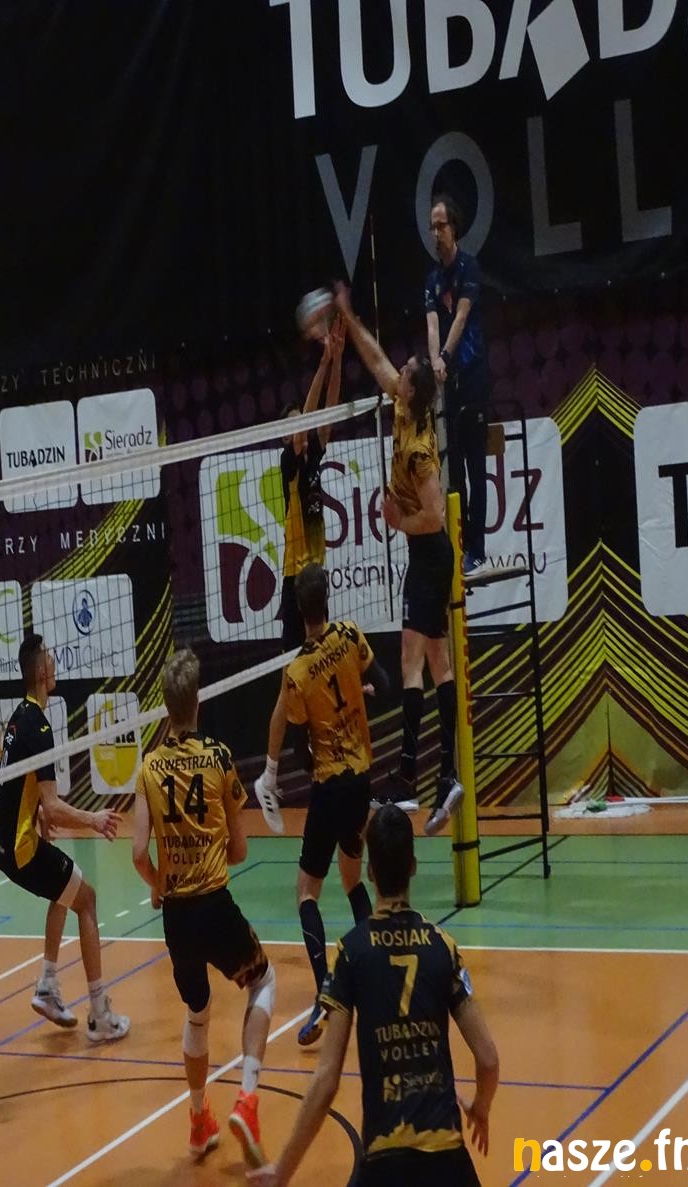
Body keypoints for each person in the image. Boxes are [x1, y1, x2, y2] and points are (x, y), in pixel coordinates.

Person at [247, 804, 499, 1187]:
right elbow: (488, 1058)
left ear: (369, 871)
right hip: (446, 1155)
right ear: (413, 866)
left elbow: (327, 1079)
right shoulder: (443, 948)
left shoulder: (351, 952)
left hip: (385, 1158)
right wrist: (480, 1106)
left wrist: (282, 1171)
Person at [133, 650, 276, 1168]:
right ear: (197, 700)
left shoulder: (149, 767)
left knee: (198, 1012)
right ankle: (247, 1100)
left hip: (176, 917)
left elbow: (137, 854)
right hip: (214, 905)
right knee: (263, 982)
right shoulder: (218, 757)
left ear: (165, 705)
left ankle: (199, 1120)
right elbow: (239, 850)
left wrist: (159, 884)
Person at [334, 283, 465, 837]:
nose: (401, 369)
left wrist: (395, 521)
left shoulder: (417, 450)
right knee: (438, 664)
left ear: (411, 392)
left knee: (412, 660)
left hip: (430, 554)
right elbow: (378, 361)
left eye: (407, 371)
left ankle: (412, 774)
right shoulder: (406, 408)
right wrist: (348, 316)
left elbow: (434, 517)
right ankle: (446, 776)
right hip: (427, 557)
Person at [255, 563, 389, 1046]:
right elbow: (385, 684)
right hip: (361, 778)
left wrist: (306, 764)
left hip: (329, 785)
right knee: (353, 881)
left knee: (306, 893)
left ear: (298, 610)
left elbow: (297, 746)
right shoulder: (350, 636)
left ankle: (325, 990)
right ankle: (376, 977)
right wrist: (361, 695)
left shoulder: (297, 673)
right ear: (327, 600)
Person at [0, 633, 129, 1041]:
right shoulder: (38, 725)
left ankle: (48, 986)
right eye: (50, 659)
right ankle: (99, 1014)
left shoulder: (18, 718)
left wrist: (35, 811)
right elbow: (53, 805)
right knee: (86, 898)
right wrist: (93, 819)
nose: (55, 664)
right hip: (20, 848)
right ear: (41, 671)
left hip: (5, 843)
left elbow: (18, 786)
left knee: (65, 890)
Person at [426, 193, 490, 575]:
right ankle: (460, 546)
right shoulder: (432, 280)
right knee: (454, 473)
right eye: (432, 227)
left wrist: (446, 359)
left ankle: (478, 550)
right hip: (447, 384)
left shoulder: (470, 268)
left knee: (476, 466)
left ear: (455, 227)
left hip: (473, 378)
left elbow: (461, 318)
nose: (436, 234)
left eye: (441, 226)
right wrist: (435, 363)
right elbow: (433, 325)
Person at [279, 315, 344, 649]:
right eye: (294, 426)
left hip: (315, 573)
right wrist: (322, 364)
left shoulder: (313, 455)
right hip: (295, 576)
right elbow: (307, 424)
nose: (300, 428)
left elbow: (328, 409)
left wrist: (337, 360)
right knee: (292, 659)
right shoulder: (287, 462)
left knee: (321, 653)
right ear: (285, 437)